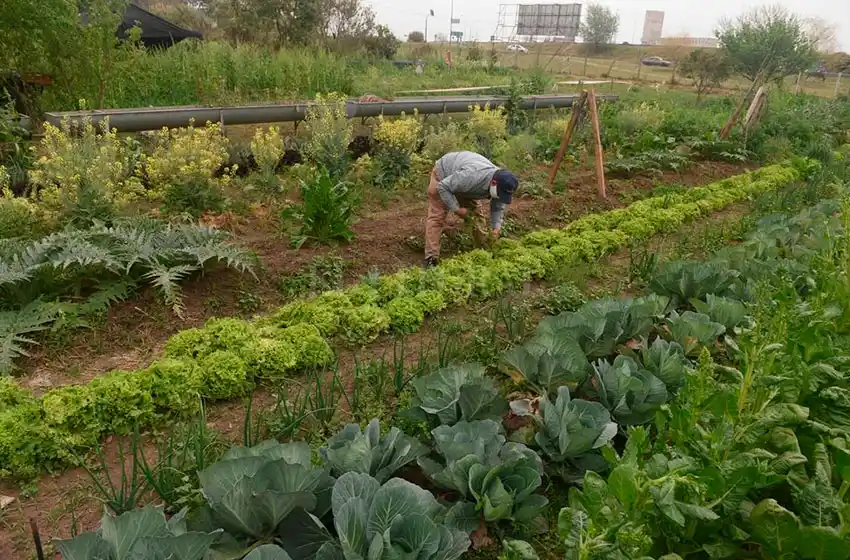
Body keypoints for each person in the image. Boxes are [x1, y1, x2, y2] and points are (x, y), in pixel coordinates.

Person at [424, 151, 518, 268]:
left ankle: (484, 249)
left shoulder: (501, 183)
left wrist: (496, 228)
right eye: (499, 193)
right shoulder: (472, 176)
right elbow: (443, 186)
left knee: (476, 215)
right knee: (437, 216)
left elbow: (498, 207)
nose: (500, 196)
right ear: (493, 183)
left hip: (463, 183)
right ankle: (431, 258)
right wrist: (457, 209)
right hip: (443, 175)